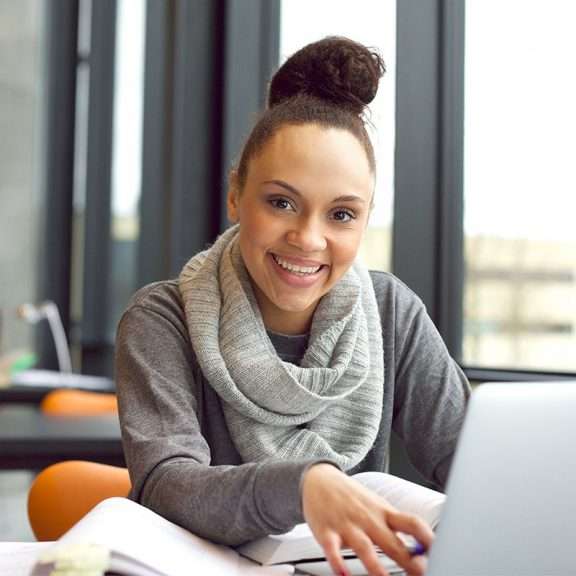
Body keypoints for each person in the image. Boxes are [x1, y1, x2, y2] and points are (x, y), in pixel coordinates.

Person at [115, 36, 470, 576]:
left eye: (342, 215)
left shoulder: (390, 311)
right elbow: (167, 485)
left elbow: (472, 468)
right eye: (281, 202)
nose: (308, 239)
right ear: (236, 195)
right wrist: (303, 485)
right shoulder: (161, 319)